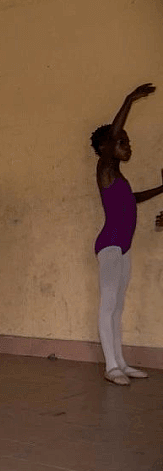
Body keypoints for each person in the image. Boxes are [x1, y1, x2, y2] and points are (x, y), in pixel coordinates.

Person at [90, 83, 160, 385]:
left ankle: (120, 362)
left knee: (117, 307)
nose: (127, 146)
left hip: (125, 247)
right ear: (107, 147)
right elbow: (114, 134)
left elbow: (132, 201)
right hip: (109, 246)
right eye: (122, 141)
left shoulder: (120, 179)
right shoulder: (104, 169)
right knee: (107, 305)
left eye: (128, 141)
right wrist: (128, 99)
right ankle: (110, 367)